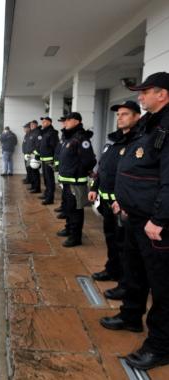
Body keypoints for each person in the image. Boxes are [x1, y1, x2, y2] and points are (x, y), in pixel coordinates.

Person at [99, 72, 169, 371]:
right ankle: (130, 316)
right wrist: (123, 200)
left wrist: (159, 219)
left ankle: (160, 346)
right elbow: (138, 168)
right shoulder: (149, 126)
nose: (140, 97)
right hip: (134, 217)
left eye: (145, 92)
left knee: (162, 287)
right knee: (134, 273)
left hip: (155, 224)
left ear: (162, 94)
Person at [89, 101, 140, 301]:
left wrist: (126, 202)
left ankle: (125, 285)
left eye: (125, 114)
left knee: (125, 247)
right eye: (118, 114)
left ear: (137, 116)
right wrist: (94, 187)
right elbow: (103, 168)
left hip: (124, 206)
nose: (120, 117)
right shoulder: (113, 141)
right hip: (107, 203)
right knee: (111, 239)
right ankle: (112, 270)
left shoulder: (137, 141)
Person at [56, 112, 96, 247]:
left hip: (76, 182)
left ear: (77, 121)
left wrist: (79, 171)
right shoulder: (69, 137)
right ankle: (69, 228)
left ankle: (75, 236)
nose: (64, 123)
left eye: (67, 120)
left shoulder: (81, 138)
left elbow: (89, 160)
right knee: (68, 208)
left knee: (75, 210)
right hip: (67, 181)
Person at [38, 117, 59, 204]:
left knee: (50, 179)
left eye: (45, 122)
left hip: (49, 160)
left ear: (50, 123)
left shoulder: (52, 133)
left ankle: (50, 198)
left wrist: (54, 161)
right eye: (42, 122)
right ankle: (47, 193)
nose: (43, 123)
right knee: (46, 178)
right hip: (43, 159)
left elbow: (55, 147)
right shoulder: (45, 132)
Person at [53, 116, 67, 219]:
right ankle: (63, 207)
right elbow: (59, 150)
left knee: (69, 196)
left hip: (70, 173)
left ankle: (65, 210)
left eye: (64, 122)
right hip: (63, 168)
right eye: (62, 122)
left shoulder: (75, 137)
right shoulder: (64, 135)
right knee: (64, 191)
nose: (63, 124)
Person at [28, 120, 42, 193]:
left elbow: (38, 145)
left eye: (33, 124)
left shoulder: (38, 133)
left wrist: (34, 153)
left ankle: (37, 188)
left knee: (35, 172)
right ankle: (33, 186)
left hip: (35, 155)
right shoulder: (32, 132)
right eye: (31, 125)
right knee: (32, 172)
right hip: (31, 155)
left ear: (36, 125)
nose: (31, 126)